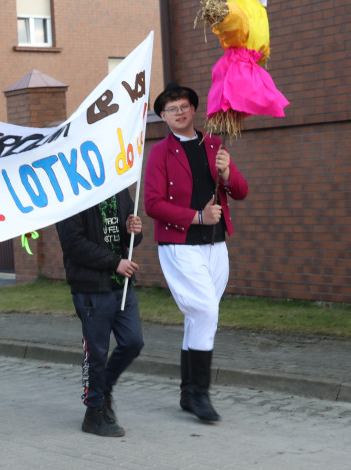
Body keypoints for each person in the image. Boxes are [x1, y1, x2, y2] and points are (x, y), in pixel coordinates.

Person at [143, 83, 249, 422]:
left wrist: (227, 172)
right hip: (180, 245)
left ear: (193, 109)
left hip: (216, 244)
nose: (178, 112)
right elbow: (152, 204)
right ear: (162, 116)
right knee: (205, 312)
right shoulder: (159, 153)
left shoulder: (214, 144)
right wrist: (197, 217)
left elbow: (241, 191)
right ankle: (201, 395)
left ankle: (188, 393)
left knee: (201, 316)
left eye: (183, 106)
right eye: (171, 109)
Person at [56, 189, 145, 437]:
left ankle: (102, 387)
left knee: (133, 341)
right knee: (96, 351)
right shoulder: (70, 194)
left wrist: (134, 230)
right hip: (91, 287)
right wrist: (113, 262)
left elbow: (131, 238)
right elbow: (73, 244)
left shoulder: (118, 187)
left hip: (121, 284)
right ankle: (93, 413)